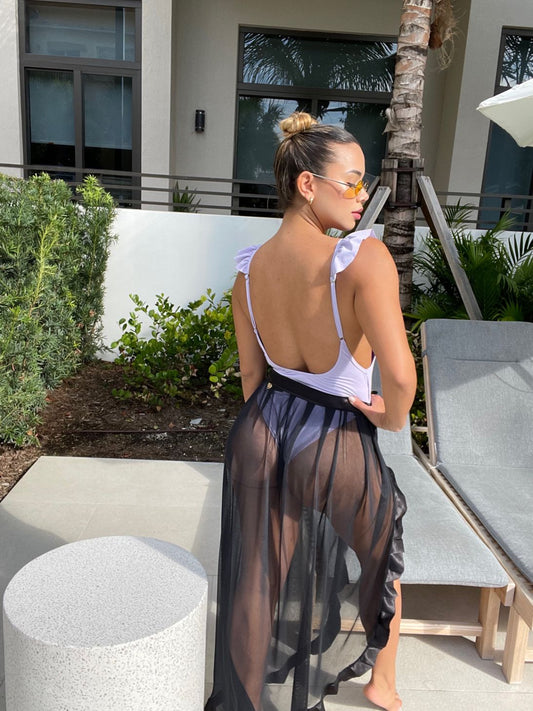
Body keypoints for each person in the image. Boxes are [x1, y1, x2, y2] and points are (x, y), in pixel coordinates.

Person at [205, 112, 416, 711]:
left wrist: (276, 426)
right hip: (333, 437)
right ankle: (382, 684)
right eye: (352, 181)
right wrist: (390, 417)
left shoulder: (248, 272)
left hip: (263, 428)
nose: (363, 194)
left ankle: (245, 700)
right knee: (382, 557)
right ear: (307, 184)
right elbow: (401, 377)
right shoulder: (361, 259)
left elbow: (252, 380)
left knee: (258, 579)